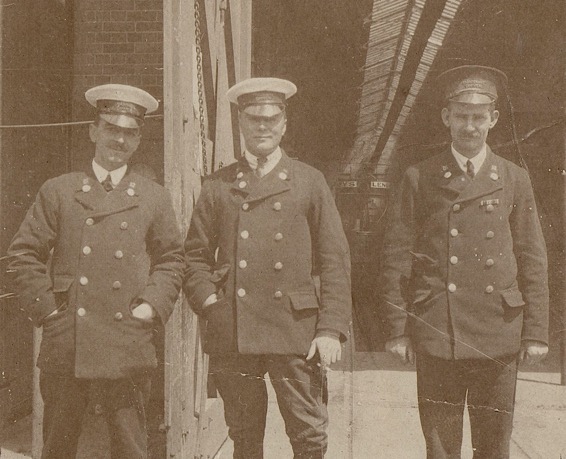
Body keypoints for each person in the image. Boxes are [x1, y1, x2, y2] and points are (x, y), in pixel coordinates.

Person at [379, 65, 549, 458]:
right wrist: (398, 329)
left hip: (498, 331)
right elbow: (396, 258)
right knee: (440, 447)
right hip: (440, 328)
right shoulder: (419, 177)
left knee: (493, 445)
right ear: (446, 117)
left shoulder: (514, 178)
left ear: (493, 119)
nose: (470, 126)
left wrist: (536, 331)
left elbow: (532, 258)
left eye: (478, 117)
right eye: (461, 115)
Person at [8, 84, 184, 459]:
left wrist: (149, 308)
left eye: (128, 132)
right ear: (93, 130)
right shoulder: (59, 191)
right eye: (110, 128)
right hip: (68, 340)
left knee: (131, 447)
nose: (118, 139)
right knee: (58, 447)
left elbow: (172, 259)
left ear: (138, 139)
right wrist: (49, 314)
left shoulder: (153, 196)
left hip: (128, 340)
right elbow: (23, 254)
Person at [184, 77, 352, 459]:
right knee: (244, 436)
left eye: (271, 119)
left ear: (284, 123)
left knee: (308, 434)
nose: (262, 127)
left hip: (295, 330)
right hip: (235, 330)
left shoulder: (309, 181)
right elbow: (192, 255)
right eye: (254, 119)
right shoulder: (218, 184)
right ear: (241, 123)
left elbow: (334, 260)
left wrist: (331, 329)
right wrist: (211, 302)